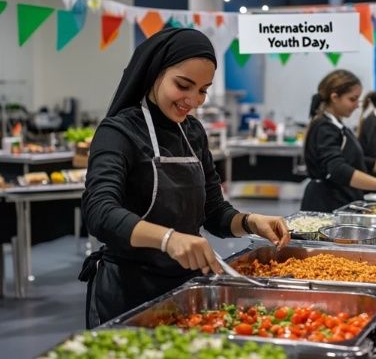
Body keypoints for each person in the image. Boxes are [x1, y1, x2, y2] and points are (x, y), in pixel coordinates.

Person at [80, 28, 290, 328]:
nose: (193, 100)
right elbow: (99, 212)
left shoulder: (192, 132)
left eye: (203, 90)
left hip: (186, 290)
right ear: (155, 73)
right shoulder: (118, 132)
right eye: (183, 85)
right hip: (129, 292)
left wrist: (250, 221)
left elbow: (214, 213)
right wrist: (167, 239)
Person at [301, 70, 376, 212]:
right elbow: (337, 169)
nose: (357, 105)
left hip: (342, 199)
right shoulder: (324, 127)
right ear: (334, 97)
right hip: (326, 203)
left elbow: (361, 161)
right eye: (352, 99)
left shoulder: (338, 126)